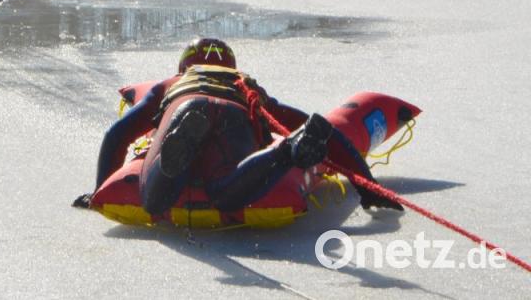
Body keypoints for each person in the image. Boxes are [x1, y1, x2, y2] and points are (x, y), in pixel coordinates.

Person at [73, 37, 401, 215]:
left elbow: (117, 134)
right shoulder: (246, 86)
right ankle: (286, 151)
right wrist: (368, 188)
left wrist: (98, 190)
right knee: (226, 194)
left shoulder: (172, 83)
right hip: (235, 112)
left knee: (155, 202)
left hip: (185, 105)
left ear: (185, 66)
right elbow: (327, 133)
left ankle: (183, 140)